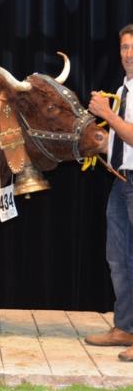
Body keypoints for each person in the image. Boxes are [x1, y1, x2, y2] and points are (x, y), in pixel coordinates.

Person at [85, 24, 133, 362]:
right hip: (122, 181)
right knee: (118, 259)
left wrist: (106, 114)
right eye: (124, 48)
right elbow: (120, 138)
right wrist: (98, 142)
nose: (128, 54)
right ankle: (126, 327)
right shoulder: (124, 88)